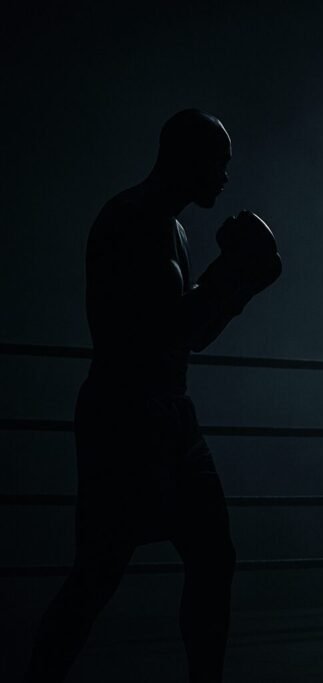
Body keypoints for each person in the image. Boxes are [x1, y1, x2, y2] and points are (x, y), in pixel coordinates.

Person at [26, 109, 281, 682]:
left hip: (172, 417)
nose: (225, 177)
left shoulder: (176, 229)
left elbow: (194, 338)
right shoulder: (130, 221)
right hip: (125, 417)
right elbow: (164, 329)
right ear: (188, 159)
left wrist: (239, 287)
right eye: (218, 162)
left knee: (213, 558)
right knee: (97, 576)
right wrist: (232, 273)